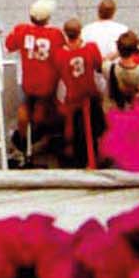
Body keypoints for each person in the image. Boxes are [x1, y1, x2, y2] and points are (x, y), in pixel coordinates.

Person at [5, 0, 61, 155]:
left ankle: (22, 137)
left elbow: (9, 45)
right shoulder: (55, 34)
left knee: (24, 106)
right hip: (47, 81)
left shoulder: (21, 30)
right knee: (43, 106)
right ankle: (40, 131)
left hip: (27, 79)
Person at [52, 17, 104, 167]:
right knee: (94, 129)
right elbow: (98, 65)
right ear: (80, 32)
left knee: (75, 131)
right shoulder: (91, 48)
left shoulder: (60, 54)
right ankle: (94, 157)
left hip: (72, 95)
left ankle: (77, 157)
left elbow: (59, 71)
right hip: (90, 92)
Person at [104, 32, 139, 109]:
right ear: (134, 50)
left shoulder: (108, 68)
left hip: (114, 111)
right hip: (132, 111)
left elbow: (106, 59)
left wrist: (118, 51)